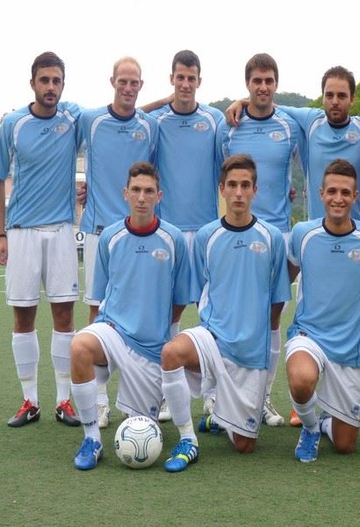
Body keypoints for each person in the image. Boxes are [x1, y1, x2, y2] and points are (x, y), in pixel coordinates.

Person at [226, 65, 360, 428]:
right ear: (322, 97)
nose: (335, 101)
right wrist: (239, 101)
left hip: (356, 244)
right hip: (315, 242)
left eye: (342, 95)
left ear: (352, 99)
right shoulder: (307, 121)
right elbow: (264, 102)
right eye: (329, 94)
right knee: (308, 314)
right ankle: (305, 401)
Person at [160, 154, 291, 473]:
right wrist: (212, 327)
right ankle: (188, 439)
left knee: (244, 447)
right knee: (171, 353)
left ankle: (221, 417)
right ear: (221, 189)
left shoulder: (272, 238)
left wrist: (257, 337)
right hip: (213, 341)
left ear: (255, 190)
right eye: (232, 185)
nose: (238, 192)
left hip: (250, 355)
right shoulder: (206, 236)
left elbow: (277, 302)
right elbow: (201, 291)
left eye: (245, 185)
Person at [70, 161, 191, 470]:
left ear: (159, 196)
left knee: (143, 424)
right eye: (135, 190)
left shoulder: (174, 239)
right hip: (112, 329)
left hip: (151, 346)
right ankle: (91, 438)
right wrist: (96, 347)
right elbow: (97, 300)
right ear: (125, 193)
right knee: (79, 346)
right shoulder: (109, 237)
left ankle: (145, 404)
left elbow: (180, 300)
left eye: (148, 191)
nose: (141, 197)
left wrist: (164, 335)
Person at [0, 51, 82, 428]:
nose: (50, 87)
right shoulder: (13, 123)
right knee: (23, 315)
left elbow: (121, 109)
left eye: (56, 80)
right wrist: (0, 233)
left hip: (61, 230)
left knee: (64, 315)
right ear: (32, 83)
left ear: (63, 84)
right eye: (44, 80)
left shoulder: (73, 117)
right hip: (22, 232)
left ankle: (64, 401)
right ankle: (30, 400)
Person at [217, 53, 303, 427]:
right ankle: (220, 398)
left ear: (276, 85)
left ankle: (263, 398)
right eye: (257, 81)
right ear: (247, 84)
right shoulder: (230, 124)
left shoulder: (290, 124)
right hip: (236, 232)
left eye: (269, 81)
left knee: (271, 318)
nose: (263, 87)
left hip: (278, 236)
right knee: (231, 315)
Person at [140, 49, 225, 422]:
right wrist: (168, 101)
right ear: (172, 79)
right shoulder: (157, 121)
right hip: (169, 233)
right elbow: (135, 114)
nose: (186, 84)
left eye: (191, 78)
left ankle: (213, 396)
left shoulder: (215, 119)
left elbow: (231, 168)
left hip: (207, 232)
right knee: (168, 315)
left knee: (211, 314)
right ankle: (164, 391)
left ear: (199, 81)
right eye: (180, 78)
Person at [285, 159, 360, 463]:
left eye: (345, 192)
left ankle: (332, 418)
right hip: (309, 336)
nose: (338, 198)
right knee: (302, 380)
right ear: (320, 193)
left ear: (356, 197)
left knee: (345, 446)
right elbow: (285, 279)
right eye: (332, 191)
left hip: (349, 348)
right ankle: (311, 427)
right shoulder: (303, 234)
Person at [76, 56, 158, 429]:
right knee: (98, 315)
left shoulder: (149, 125)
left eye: (134, 83)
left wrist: (167, 97)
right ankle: (99, 401)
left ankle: (140, 391)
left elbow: (150, 114)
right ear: (112, 81)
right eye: (122, 82)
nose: (128, 88)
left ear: (141, 86)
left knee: (140, 311)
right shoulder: (90, 120)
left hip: (139, 231)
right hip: (99, 232)